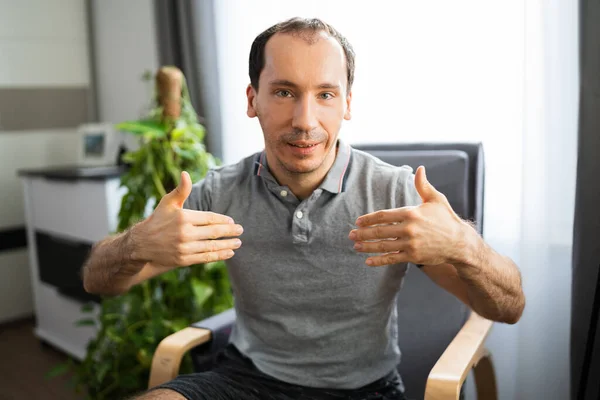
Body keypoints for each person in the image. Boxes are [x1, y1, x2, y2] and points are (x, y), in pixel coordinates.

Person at [83, 17, 526, 400]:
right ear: (252, 99)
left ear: (348, 103)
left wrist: (462, 243)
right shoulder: (220, 192)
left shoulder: (394, 193)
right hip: (245, 379)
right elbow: (98, 279)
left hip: (364, 390)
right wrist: (138, 242)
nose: (305, 120)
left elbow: (509, 307)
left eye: (326, 95)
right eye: (284, 92)